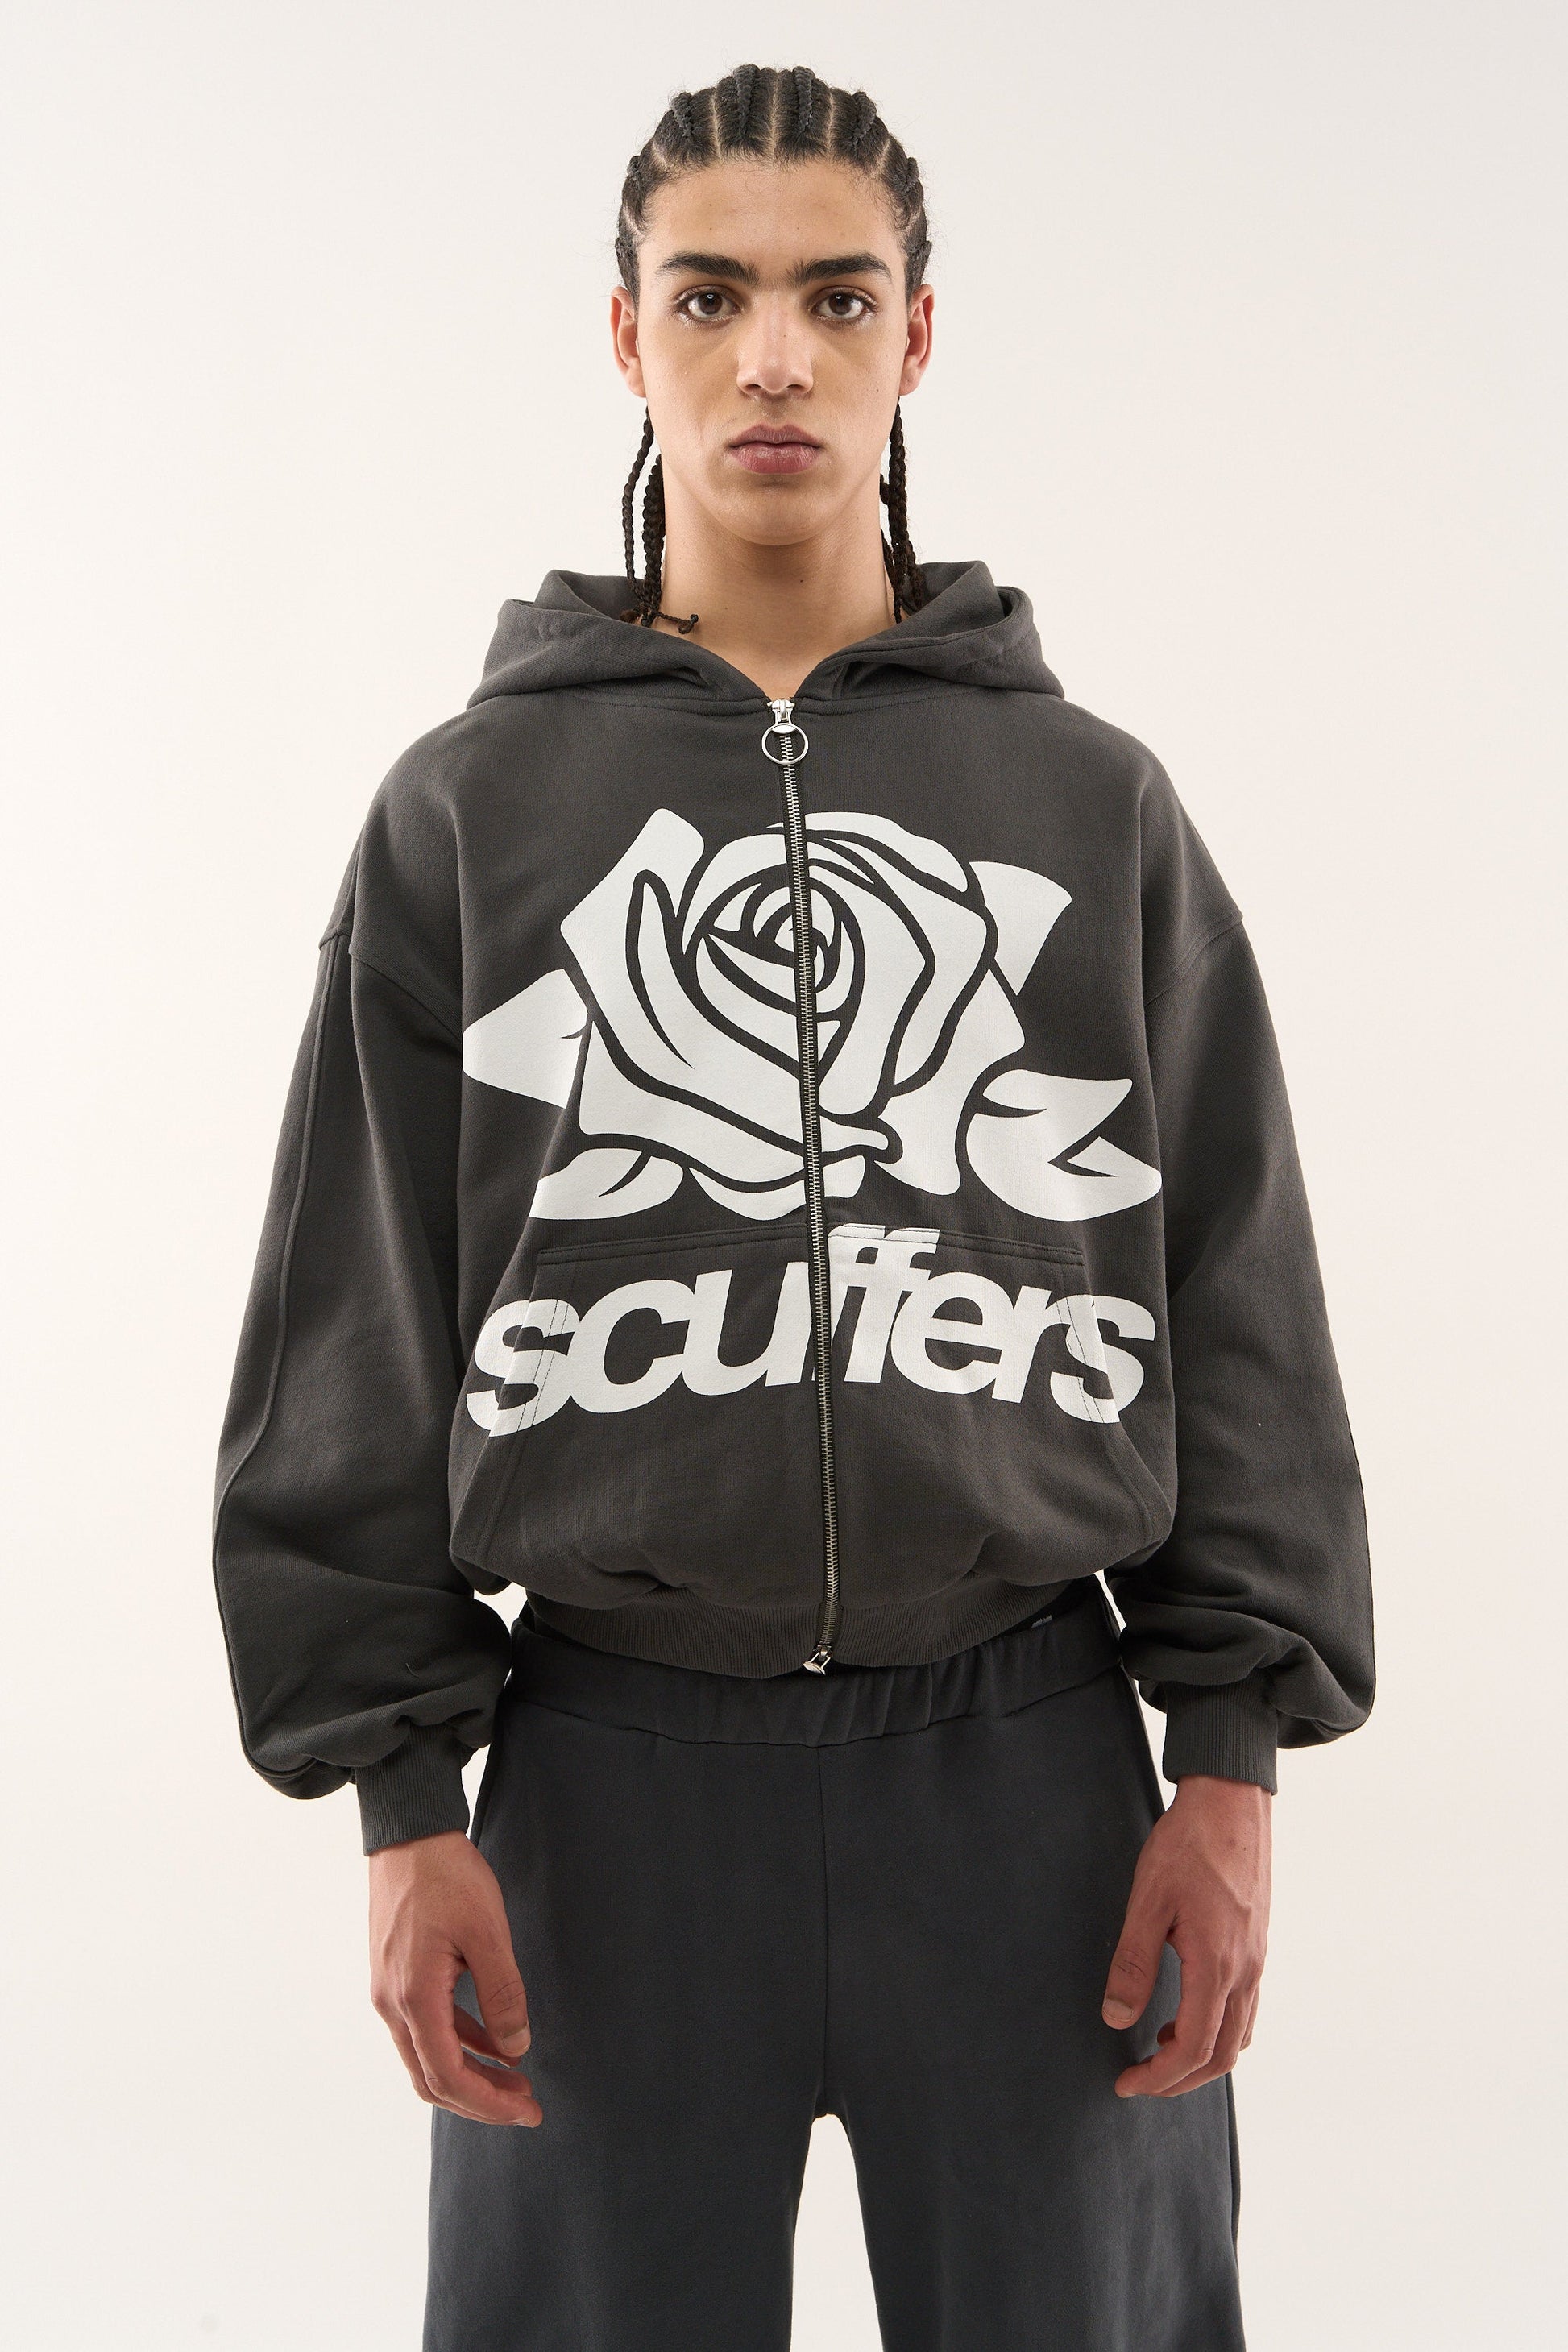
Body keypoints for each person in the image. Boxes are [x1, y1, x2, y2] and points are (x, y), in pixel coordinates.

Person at [212, 62, 1375, 2352]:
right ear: (623, 335)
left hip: (1031, 1782)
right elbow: (354, 1313)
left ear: (914, 338)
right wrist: (402, 1799)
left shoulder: (1090, 804)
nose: (772, 358)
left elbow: (1233, 1286)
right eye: (709, 296)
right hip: (606, 1791)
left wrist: (1228, 1766)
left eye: (836, 299)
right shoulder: (467, 813)